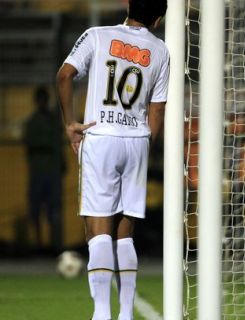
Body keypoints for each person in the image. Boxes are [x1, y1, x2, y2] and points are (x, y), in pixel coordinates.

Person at [56, 1, 169, 319]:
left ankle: (102, 313)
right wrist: (147, 147)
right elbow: (157, 109)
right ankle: (126, 313)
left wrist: (70, 124)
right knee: (124, 233)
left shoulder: (97, 34)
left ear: (129, 5)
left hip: (101, 135)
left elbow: (64, 76)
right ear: (158, 19)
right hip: (136, 140)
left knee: (98, 229)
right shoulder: (160, 50)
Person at [24, 86, 65, 254]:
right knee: (36, 210)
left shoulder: (53, 121)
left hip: (52, 172)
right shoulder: (32, 122)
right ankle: (39, 245)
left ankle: (54, 245)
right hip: (38, 172)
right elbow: (30, 146)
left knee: (54, 209)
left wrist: (61, 163)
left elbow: (59, 145)